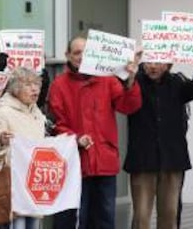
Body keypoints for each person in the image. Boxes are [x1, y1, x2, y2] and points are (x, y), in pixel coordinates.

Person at [48, 34, 142, 229]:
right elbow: (56, 124)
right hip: (74, 164)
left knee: (105, 220)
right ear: (67, 55)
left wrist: (131, 79)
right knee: (74, 220)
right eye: (76, 53)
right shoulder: (59, 85)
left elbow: (128, 106)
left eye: (86, 52)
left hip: (104, 162)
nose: (81, 57)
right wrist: (76, 139)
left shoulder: (107, 80)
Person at [124, 43, 193, 229]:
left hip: (172, 160)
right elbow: (122, 93)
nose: (153, 66)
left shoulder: (177, 82)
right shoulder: (135, 82)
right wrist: (130, 72)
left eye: (159, 61)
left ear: (168, 64)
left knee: (169, 216)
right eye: (149, 61)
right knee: (141, 217)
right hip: (142, 160)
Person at [0, 67, 46, 229]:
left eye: (36, 84)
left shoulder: (37, 114)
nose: (34, 89)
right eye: (28, 85)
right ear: (16, 89)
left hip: (33, 186)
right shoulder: (4, 112)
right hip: (12, 187)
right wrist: (0, 140)